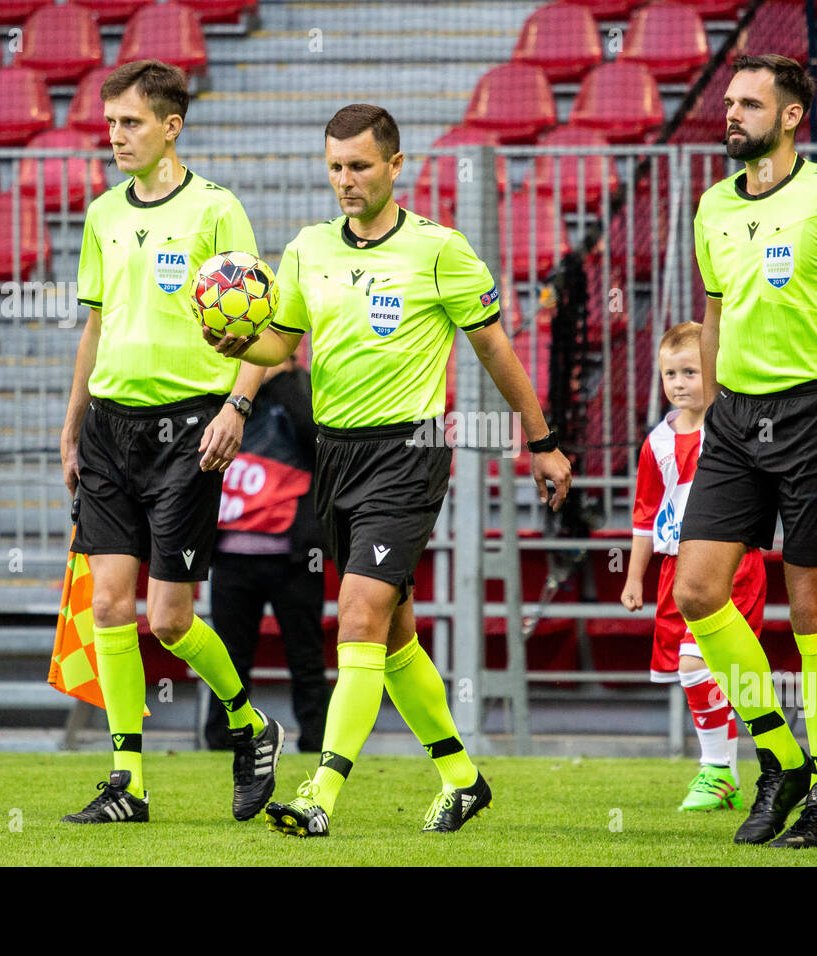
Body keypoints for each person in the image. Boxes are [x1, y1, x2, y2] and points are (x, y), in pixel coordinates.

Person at [206, 103, 572, 837]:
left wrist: (543, 439)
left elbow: (496, 349)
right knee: (395, 635)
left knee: (361, 617)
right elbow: (280, 343)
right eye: (336, 166)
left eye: (360, 166)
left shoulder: (440, 251)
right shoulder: (309, 249)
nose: (346, 180)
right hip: (333, 457)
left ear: (395, 167)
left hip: (407, 451)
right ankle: (463, 779)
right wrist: (232, 369)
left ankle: (320, 794)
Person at [674, 54, 817, 848]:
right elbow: (713, 316)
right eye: (728, 102)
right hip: (735, 420)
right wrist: (703, 414)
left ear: (793, 116)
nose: (730, 114)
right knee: (697, 591)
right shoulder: (711, 207)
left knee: (814, 609)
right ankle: (779, 757)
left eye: (748, 104)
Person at [58, 59, 283, 824]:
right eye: (110, 121)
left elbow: (264, 332)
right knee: (110, 609)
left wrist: (237, 407)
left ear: (171, 127)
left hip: (188, 427)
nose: (114, 135)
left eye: (130, 122)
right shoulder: (103, 214)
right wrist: (71, 426)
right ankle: (128, 782)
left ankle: (251, 727)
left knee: (170, 620)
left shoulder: (218, 211)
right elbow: (96, 325)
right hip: (109, 429)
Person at [621, 322, 767, 811]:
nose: (679, 383)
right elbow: (645, 514)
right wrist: (634, 576)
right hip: (672, 569)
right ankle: (727, 772)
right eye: (670, 374)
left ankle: (719, 768)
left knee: (696, 667)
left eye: (690, 371)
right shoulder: (656, 444)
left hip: (730, 564)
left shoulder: (730, 429)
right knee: (712, 675)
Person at [205, 349, 330, 754]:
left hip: (294, 557)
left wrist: (279, 376)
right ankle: (222, 743)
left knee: (306, 657)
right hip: (231, 553)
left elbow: (316, 436)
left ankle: (319, 746)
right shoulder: (222, 395)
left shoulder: (304, 388)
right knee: (227, 661)